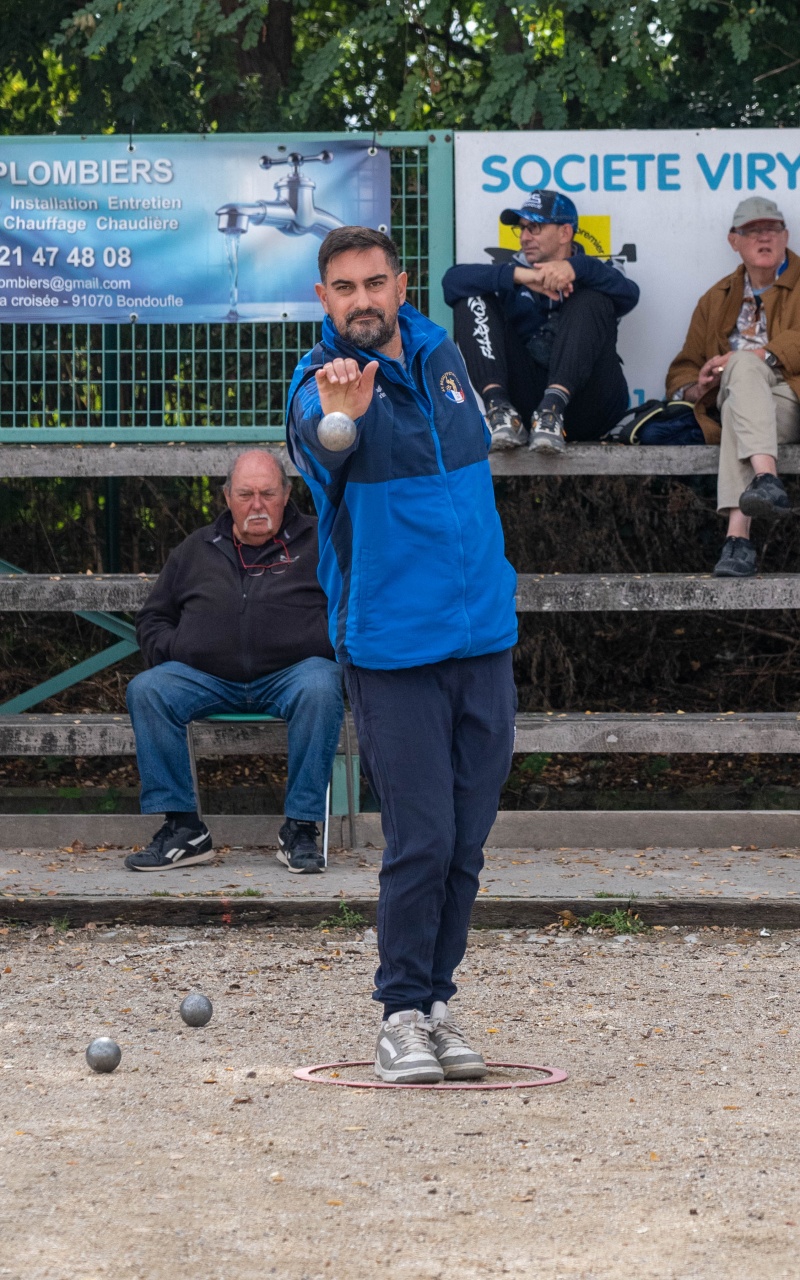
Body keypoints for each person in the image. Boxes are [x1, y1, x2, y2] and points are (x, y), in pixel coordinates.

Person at [287, 226, 518, 1084]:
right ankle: (399, 1014)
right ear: (323, 300)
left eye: (373, 283)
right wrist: (344, 420)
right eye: (342, 288)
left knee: (466, 842)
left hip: (484, 638)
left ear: (400, 283)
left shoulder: (446, 356)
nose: (360, 301)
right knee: (420, 839)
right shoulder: (323, 380)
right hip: (391, 648)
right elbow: (325, 437)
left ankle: (439, 1000)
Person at [124, 448, 343, 874]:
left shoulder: (321, 542)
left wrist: (328, 642)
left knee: (322, 683)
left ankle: (300, 828)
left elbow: (352, 605)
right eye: (245, 494)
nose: (257, 505)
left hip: (293, 675)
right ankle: (184, 829)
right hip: (206, 677)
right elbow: (152, 617)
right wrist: (177, 648)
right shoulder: (196, 548)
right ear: (227, 498)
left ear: (286, 494)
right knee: (147, 689)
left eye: (267, 493)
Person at [442, 188, 639, 454]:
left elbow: (630, 295)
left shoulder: (598, 271)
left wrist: (576, 269)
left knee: (593, 298)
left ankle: (553, 407)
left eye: (534, 228)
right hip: (528, 407)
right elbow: (452, 282)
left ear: (564, 233)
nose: (524, 237)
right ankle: (499, 410)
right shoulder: (513, 270)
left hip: (590, 407)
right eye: (522, 229)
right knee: (471, 298)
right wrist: (521, 277)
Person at [667, 197, 800, 578]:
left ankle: (738, 539)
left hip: (793, 402)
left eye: (772, 229)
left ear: (786, 236)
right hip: (749, 411)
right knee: (736, 402)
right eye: (752, 231)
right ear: (733, 241)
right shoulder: (716, 298)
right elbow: (682, 370)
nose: (764, 238)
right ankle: (764, 480)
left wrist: (764, 356)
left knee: (740, 376)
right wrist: (698, 386)